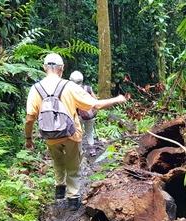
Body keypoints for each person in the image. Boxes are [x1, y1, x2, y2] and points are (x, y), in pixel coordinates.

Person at [24, 53, 126, 210]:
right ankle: (73, 198)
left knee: (58, 161)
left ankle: (59, 188)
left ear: (44, 68)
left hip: (50, 135)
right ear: (62, 68)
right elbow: (95, 105)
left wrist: (28, 139)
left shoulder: (35, 89)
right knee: (73, 164)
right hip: (71, 134)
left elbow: (30, 118)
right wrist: (117, 99)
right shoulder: (69, 86)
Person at [69, 71, 97, 156]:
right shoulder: (88, 88)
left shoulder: (72, 91)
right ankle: (92, 149)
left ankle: (79, 150)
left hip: (79, 116)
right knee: (89, 132)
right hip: (90, 115)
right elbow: (95, 100)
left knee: (78, 132)